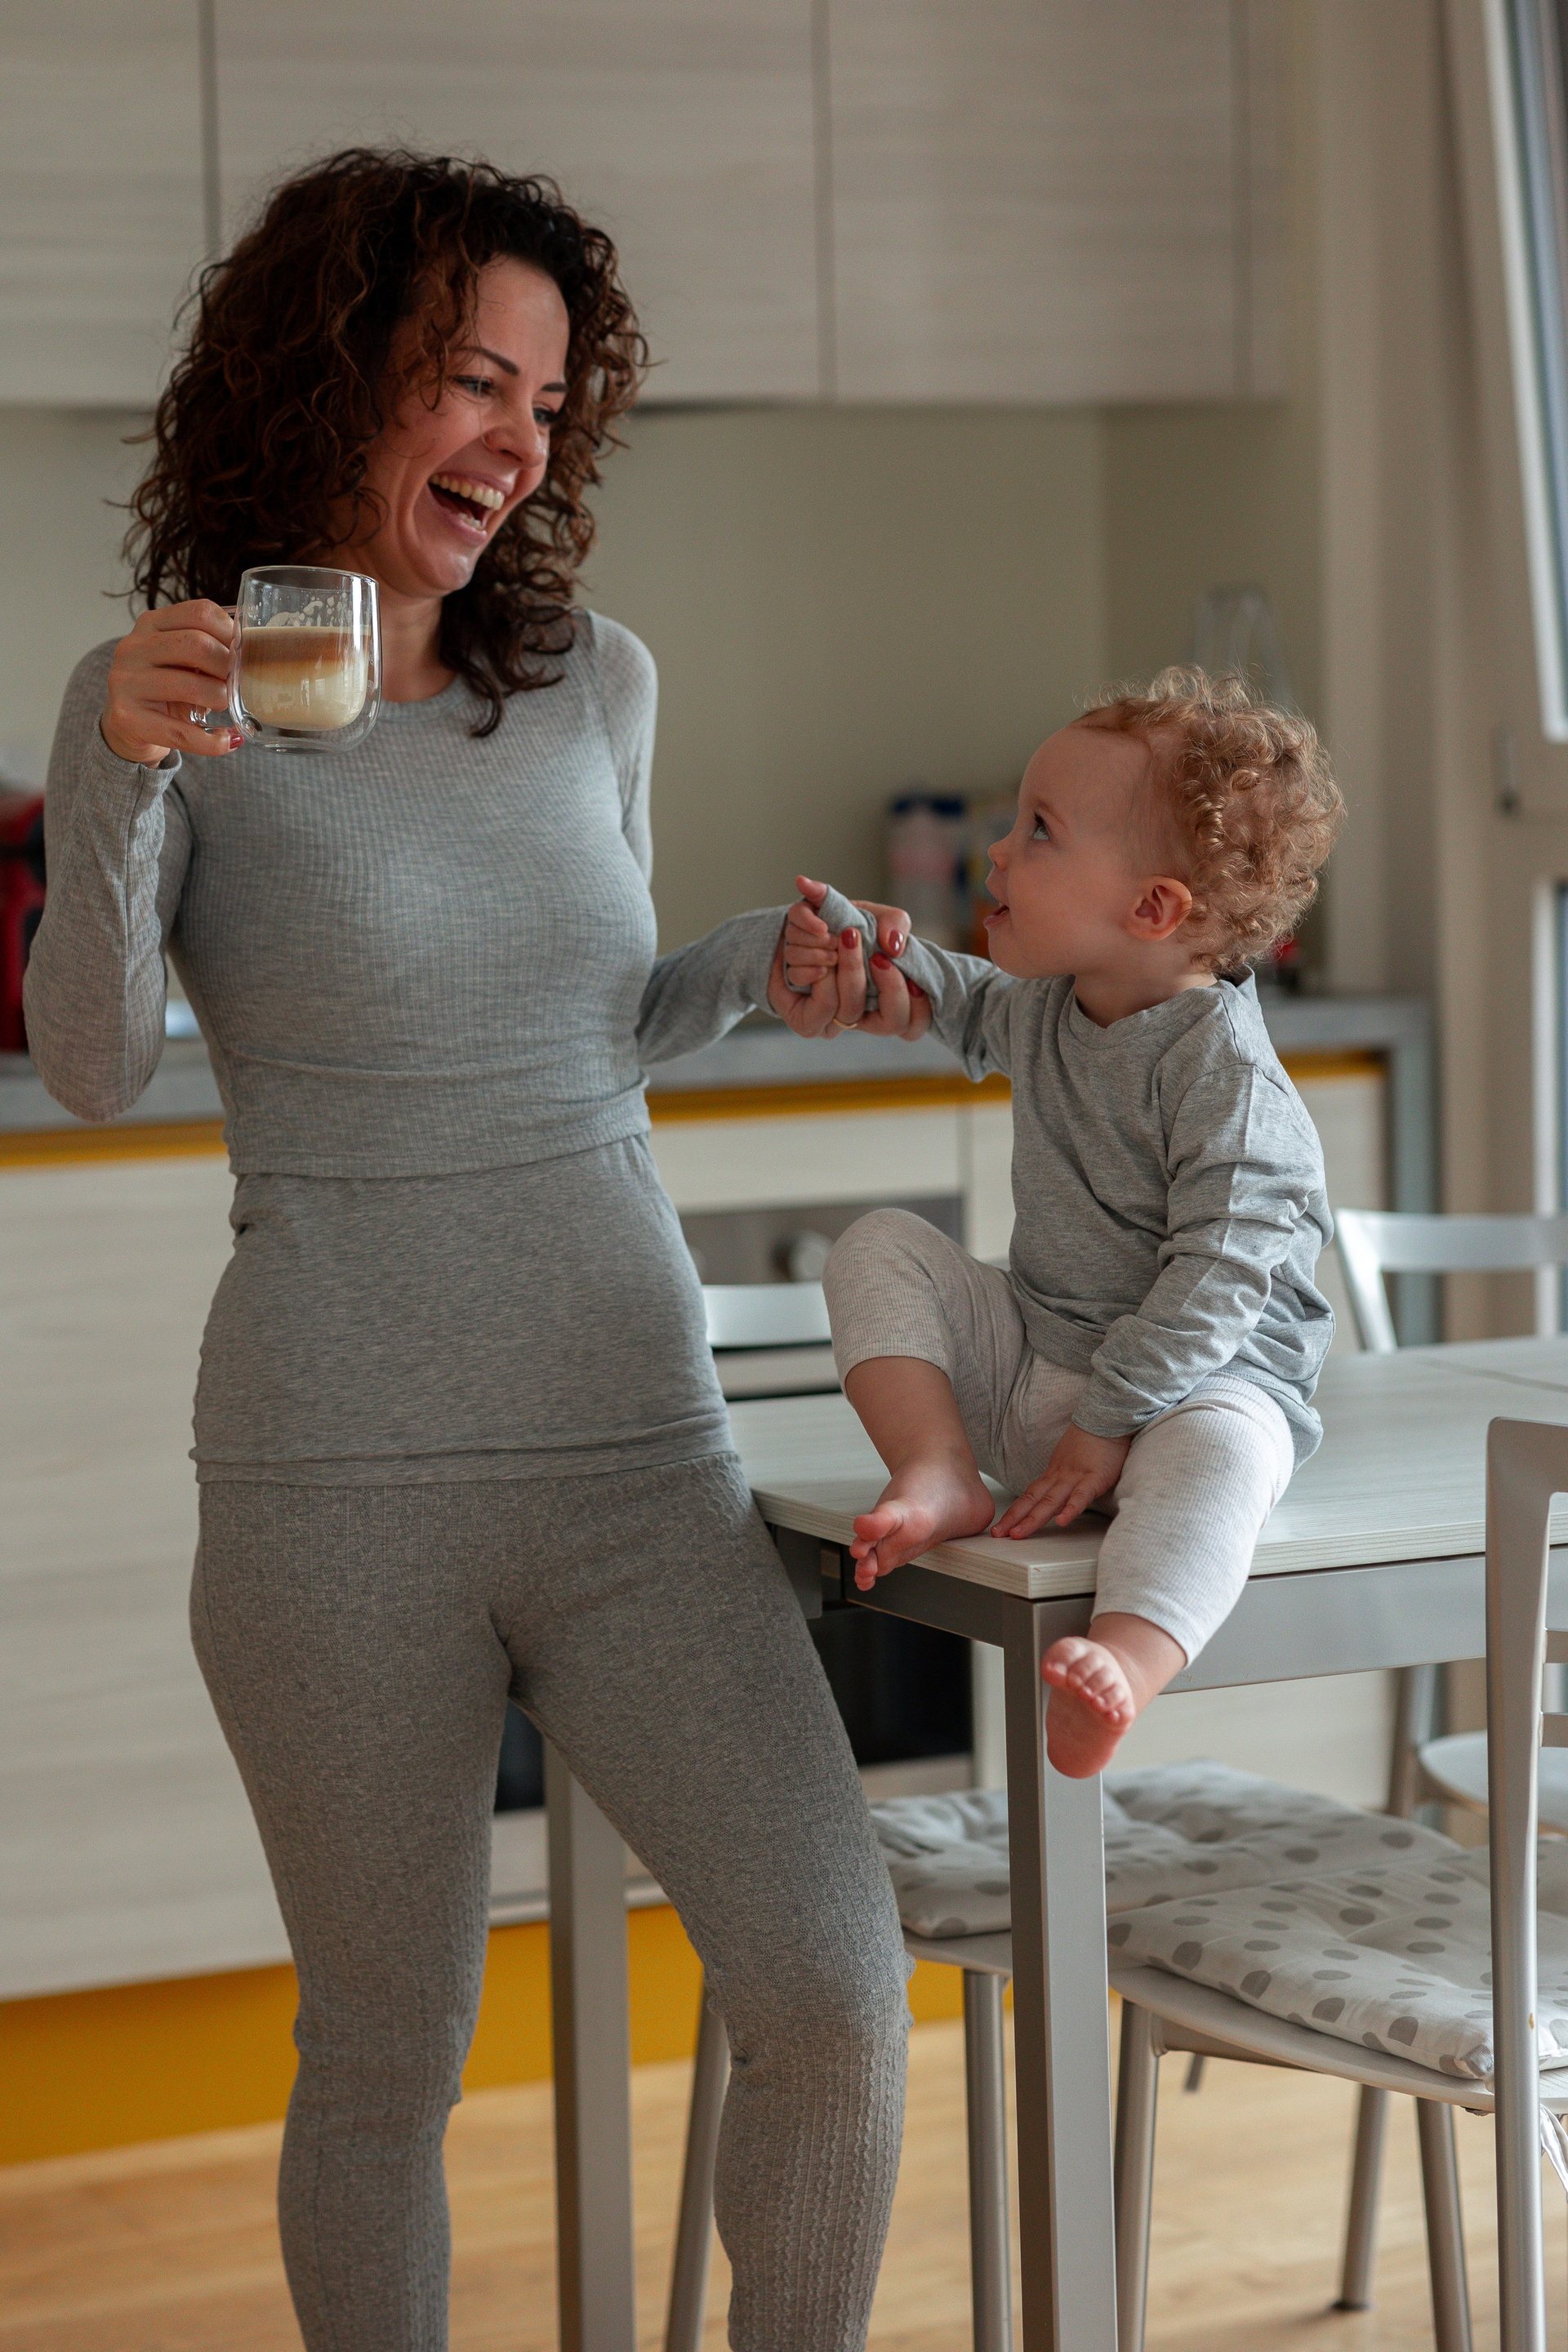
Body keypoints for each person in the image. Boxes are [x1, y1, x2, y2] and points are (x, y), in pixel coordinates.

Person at [24, 149, 931, 2352]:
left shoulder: (597, 679)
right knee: (386, 2062)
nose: (517, 441)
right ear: (329, 376)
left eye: (547, 398)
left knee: (834, 1990)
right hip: (337, 1483)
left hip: (634, 1452)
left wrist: (758, 968)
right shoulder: (175, 693)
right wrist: (122, 767)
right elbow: (94, 1067)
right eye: (469, 381)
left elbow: (584, 1024)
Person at [781, 670, 1343, 1777]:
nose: (996, 852)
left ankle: (1127, 1656)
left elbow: (1220, 1280)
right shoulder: (1051, 1003)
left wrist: (1110, 1418)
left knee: (1230, 1450)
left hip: (1190, 1392)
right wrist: (879, 958)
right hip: (1041, 1374)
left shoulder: (1227, 1077)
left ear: (1153, 910)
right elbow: (957, 1000)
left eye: (1037, 830)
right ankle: (939, 1469)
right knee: (880, 1244)